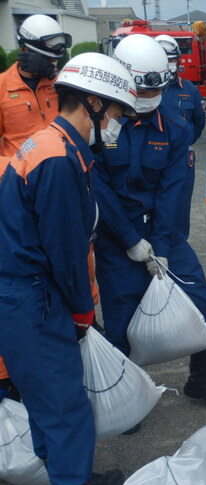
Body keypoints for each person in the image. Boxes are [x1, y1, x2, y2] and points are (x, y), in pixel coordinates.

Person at [0, 51, 137, 485]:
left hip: (23, 294)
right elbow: (65, 249)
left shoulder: (49, 144)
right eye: (117, 112)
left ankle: (60, 469)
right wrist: (82, 310)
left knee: (42, 393)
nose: (118, 124)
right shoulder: (59, 160)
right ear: (94, 106)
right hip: (33, 296)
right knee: (63, 399)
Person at [93, 34, 206, 413]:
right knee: (122, 326)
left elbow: (173, 194)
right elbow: (99, 189)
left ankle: (199, 380)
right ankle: (127, 397)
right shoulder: (98, 129)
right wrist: (130, 240)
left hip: (163, 235)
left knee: (204, 307)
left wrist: (164, 249)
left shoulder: (174, 130)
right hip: (114, 238)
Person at [0, 14, 73, 400]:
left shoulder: (57, 87)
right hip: (18, 200)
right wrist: (16, 173)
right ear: (28, 52)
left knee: (72, 266)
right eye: (51, 57)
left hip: (59, 192)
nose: (57, 64)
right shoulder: (1, 89)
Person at [155, 34, 206, 240]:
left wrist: (182, 143)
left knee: (180, 205)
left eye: (171, 59)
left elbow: (198, 123)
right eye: (162, 59)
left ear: (178, 59)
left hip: (181, 159)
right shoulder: (143, 89)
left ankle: (178, 246)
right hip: (153, 155)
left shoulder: (190, 90)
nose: (168, 64)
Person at [0, 14, 71, 157]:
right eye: (46, 58)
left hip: (61, 165)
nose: (51, 63)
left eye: (54, 60)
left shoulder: (61, 82)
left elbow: (82, 107)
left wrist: (53, 74)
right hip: (20, 173)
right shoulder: (2, 86)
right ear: (24, 50)